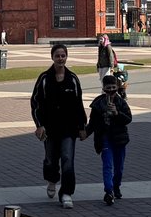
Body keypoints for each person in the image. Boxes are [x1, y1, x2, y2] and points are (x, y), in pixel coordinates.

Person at [30, 43, 86, 208]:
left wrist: (82, 126)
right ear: (52, 57)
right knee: (51, 159)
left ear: (66, 57)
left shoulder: (73, 79)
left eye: (63, 55)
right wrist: (39, 125)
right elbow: (35, 102)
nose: (60, 59)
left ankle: (66, 193)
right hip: (50, 128)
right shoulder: (44, 78)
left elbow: (78, 104)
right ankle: (52, 180)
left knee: (68, 159)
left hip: (69, 128)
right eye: (57, 56)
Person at [87, 72, 132, 206]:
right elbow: (93, 122)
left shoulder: (121, 102)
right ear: (103, 87)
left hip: (119, 138)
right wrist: (85, 133)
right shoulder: (98, 103)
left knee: (119, 168)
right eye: (108, 87)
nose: (111, 90)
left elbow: (128, 119)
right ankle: (109, 190)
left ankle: (116, 186)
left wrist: (117, 113)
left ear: (117, 87)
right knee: (107, 165)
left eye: (113, 87)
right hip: (105, 137)